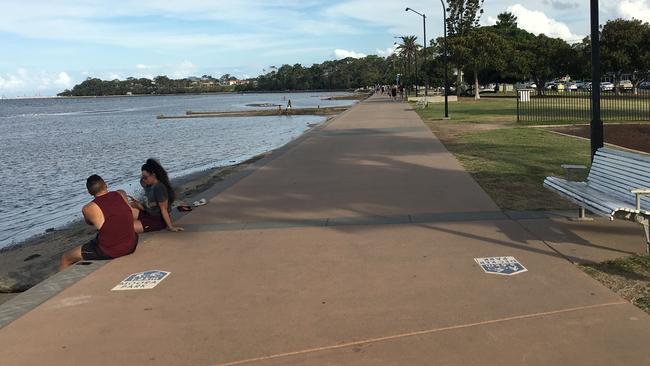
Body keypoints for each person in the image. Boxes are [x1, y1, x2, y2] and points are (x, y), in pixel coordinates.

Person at [60, 175, 138, 270]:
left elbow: (89, 222)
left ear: (89, 192)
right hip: (132, 243)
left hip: (112, 250)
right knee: (98, 239)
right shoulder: (121, 193)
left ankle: (68, 284)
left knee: (66, 258)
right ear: (106, 185)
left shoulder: (88, 208)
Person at [131, 159, 184, 233]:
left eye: (145, 177)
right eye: (142, 177)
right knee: (125, 211)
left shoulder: (159, 188)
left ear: (153, 175)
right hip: (148, 214)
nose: (144, 180)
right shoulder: (149, 186)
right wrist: (138, 204)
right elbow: (150, 206)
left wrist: (171, 227)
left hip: (157, 221)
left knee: (127, 227)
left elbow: (164, 210)